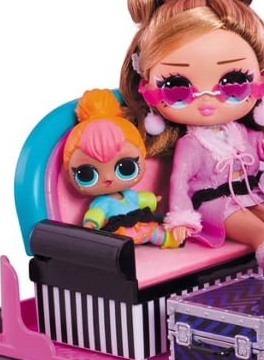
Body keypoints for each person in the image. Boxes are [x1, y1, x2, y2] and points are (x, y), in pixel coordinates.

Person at [120, 0, 264, 267]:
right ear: (146, 88)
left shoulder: (240, 132)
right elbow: (178, 183)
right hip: (215, 204)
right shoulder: (191, 144)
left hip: (252, 193)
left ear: (262, 79)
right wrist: (181, 218)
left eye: (233, 83)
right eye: (177, 87)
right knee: (261, 234)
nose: (207, 100)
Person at [62, 89, 178, 247]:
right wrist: (91, 223)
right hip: (120, 233)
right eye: (87, 174)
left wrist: (153, 199)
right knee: (118, 243)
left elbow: (140, 198)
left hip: (142, 225)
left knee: (153, 231)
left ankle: (170, 239)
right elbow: (96, 213)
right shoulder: (102, 202)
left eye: (126, 168)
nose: (108, 178)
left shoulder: (129, 195)